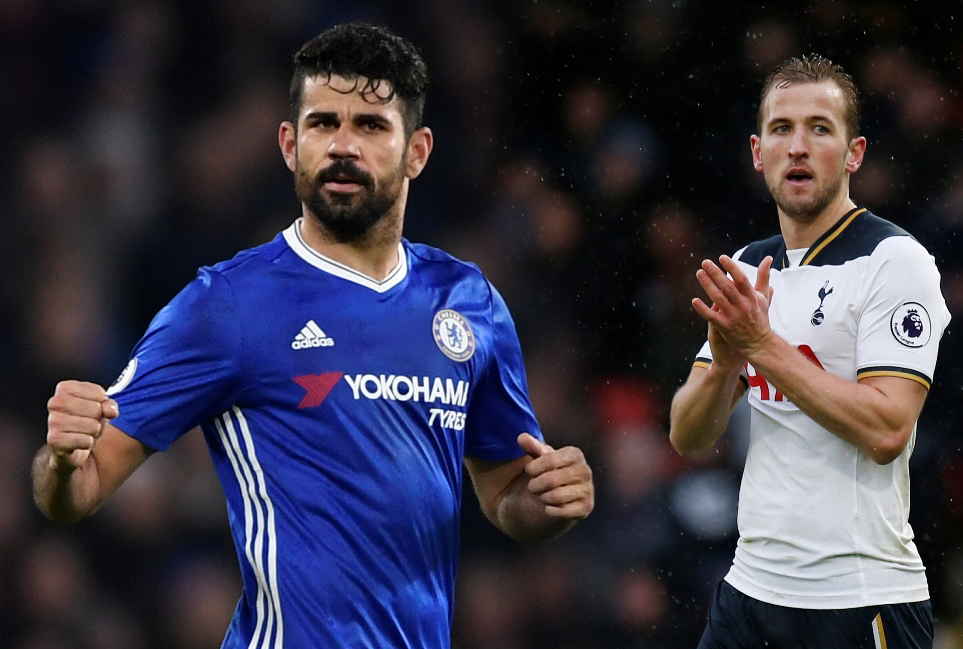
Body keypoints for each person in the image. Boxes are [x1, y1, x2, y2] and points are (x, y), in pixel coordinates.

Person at [32, 23, 594, 649]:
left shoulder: (469, 303)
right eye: (324, 123)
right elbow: (76, 491)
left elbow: (505, 493)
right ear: (289, 144)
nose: (343, 146)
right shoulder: (230, 304)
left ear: (418, 151)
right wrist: (61, 462)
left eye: (371, 125)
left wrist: (547, 504)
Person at [668, 54, 948, 648]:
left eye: (820, 128)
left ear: (855, 154)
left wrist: (761, 347)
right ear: (756, 151)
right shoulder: (749, 267)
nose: (797, 146)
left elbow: (888, 430)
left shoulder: (895, 261)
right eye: (781, 129)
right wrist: (723, 365)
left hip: (859, 597)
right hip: (749, 592)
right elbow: (688, 436)